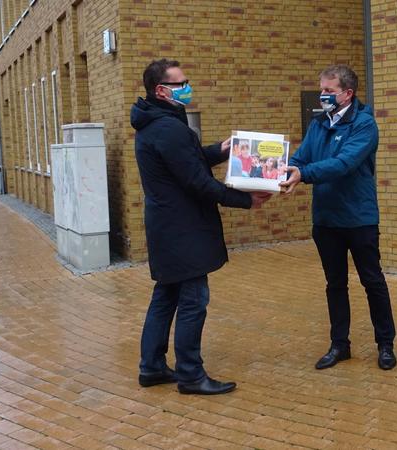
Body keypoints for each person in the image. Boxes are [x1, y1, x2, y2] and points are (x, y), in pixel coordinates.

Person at [131, 58, 271, 395]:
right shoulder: (168, 128)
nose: (188, 87)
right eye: (181, 83)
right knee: (193, 300)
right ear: (162, 90)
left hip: (167, 226)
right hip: (184, 230)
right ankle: (191, 375)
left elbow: (185, 161)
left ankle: (151, 366)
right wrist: (245, 200)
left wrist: (220, 151)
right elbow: (197, 182)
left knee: (165, 296)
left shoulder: (157, 121)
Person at [280, 64, 397, 371]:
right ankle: (339, 345)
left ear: (348, 93)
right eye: (322, 90)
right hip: (326, 220)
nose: (323, 96)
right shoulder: (319, 125)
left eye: (329, 91)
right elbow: (301, 158)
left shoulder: (364, 125)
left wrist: (303, 174)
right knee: (335, 284)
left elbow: (343, 164)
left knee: (373, 282)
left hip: (359, 219)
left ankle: (385, 344)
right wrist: (276, 172)